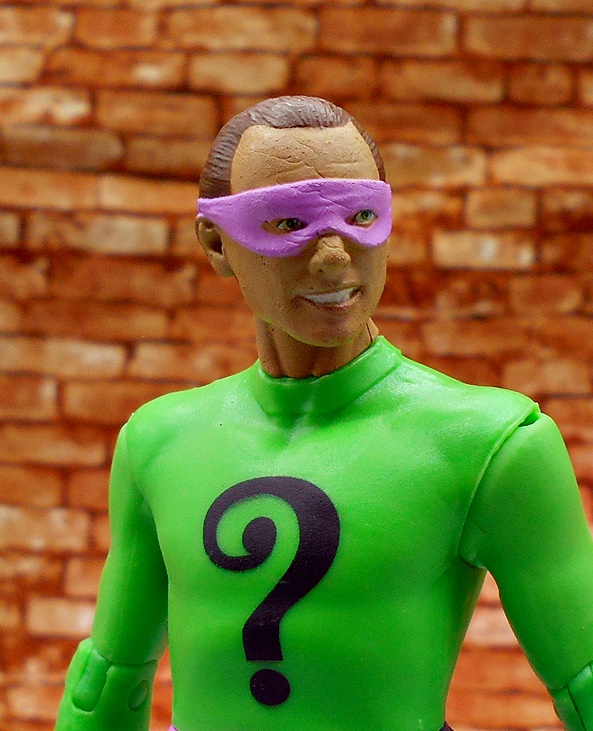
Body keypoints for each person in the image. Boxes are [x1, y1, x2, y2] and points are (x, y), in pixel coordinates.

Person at [55, 96, 593, 731]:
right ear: (217, 243)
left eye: (362, 216)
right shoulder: (159, 440)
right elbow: (108, 682)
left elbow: (583, 680)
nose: (335, 255)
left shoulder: (490, 444)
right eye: (287, 223)